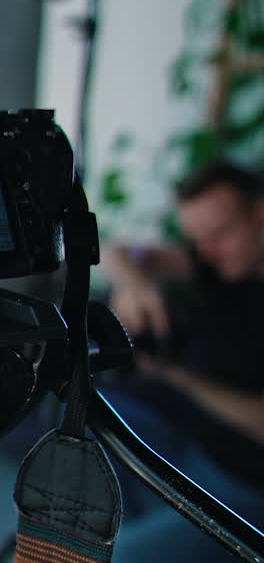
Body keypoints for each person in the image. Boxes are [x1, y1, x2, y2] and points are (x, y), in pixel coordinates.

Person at [102, 160, 264, 561]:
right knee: (83, 407)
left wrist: (177, 376)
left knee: (122, 557)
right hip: (191, 446)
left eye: (219, 235)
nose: (205, 252)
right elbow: (118, 251)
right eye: (198, 240)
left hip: (247, 486)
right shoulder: (221, 265)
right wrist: (133, 282)